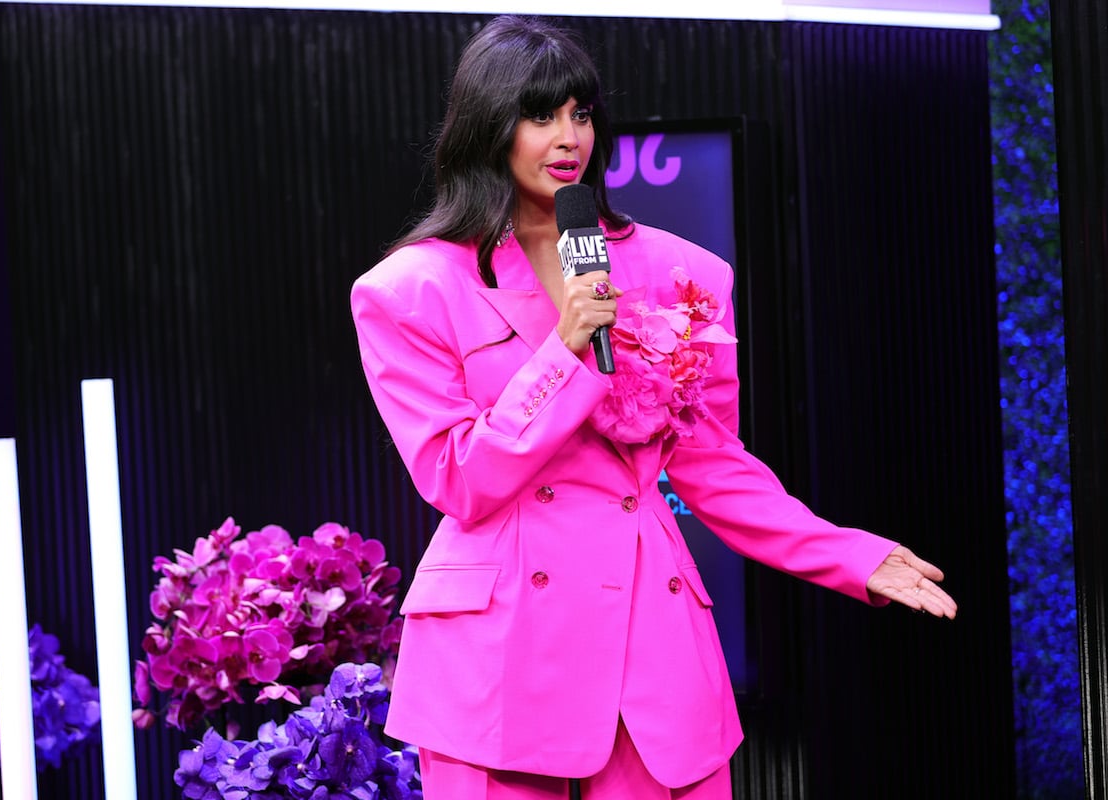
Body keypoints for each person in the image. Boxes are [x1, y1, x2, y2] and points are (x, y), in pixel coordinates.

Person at [350, 15, 957, 800]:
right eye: (540, 115)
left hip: (649, 634)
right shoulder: (411, 289)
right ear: (487, 128)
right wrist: (563, 352)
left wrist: (846, 555)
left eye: (580, 112)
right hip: (498, 650)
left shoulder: (683, 273)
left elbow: (714, 468)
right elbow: (459, 480)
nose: (568, 136)